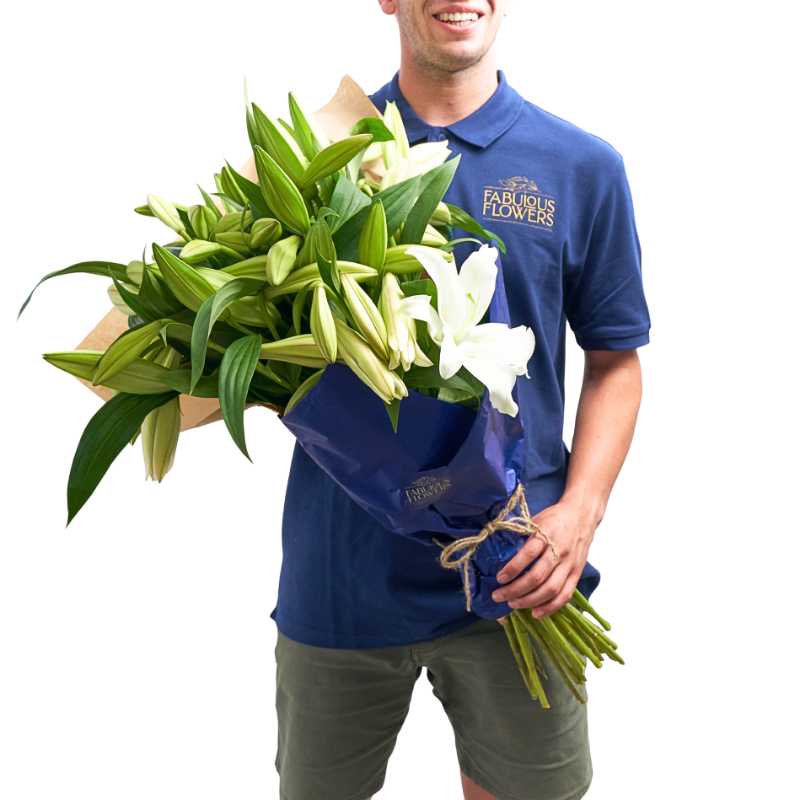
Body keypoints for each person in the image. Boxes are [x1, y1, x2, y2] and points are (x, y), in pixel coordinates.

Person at [270, 2, 651, 798]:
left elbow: (615, 356)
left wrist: (580, 509)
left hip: (522, 572)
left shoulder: (580, 165)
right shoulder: (321, 163)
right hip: (343, 575)